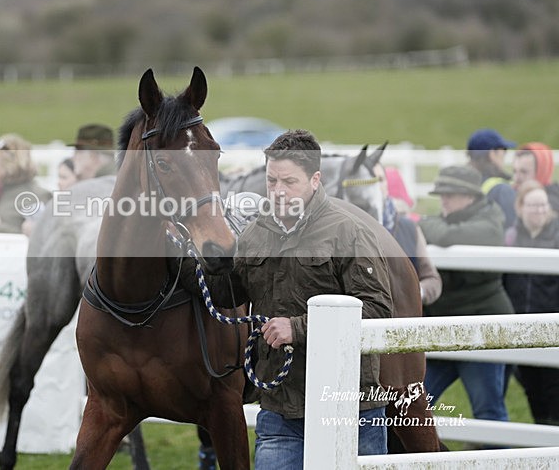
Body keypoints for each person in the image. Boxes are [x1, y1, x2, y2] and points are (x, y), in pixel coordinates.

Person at [207, 129, 393, 469]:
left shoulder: (349, 232)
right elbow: (228, 296)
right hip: (281, 409)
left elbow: (378, 311)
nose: (278, 191)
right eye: (272, 180)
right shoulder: (254, 233)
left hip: (349, 408)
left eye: (289, 181)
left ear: (315, 179)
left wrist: (299, 328)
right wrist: (208, 263)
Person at [419, 165, 513, 435]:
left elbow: (444, 235)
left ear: (470, 197)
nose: (443, 199)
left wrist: (423, 223)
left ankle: (497, 462)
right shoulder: (452, 219)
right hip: (444, 330)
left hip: (481, 331)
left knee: (487, 410)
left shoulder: (489, 222)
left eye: (450, 193)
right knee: (414, 404)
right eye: (442, 194)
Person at [502, 180, 559, 426]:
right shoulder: (510, 238)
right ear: (520, 206)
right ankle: (542, 434)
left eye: (543, 205)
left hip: (552, 326)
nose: (539, 210)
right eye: (533, 205)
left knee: (554, 386)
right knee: (531, 386)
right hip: (521, 326)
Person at [374, 164, 442, 305]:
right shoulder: (348, 227)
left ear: (387, 185)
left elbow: (432, 279)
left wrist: (415, 292)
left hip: (405, 319)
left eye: (380, 179)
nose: (375, 186)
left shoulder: (409, 227)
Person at [467, 128, 517, 229]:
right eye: (504, 151)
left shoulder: (463, 183)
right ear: (492, 154)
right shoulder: (502, 190)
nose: (504, 156)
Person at [512, 142, 559, 213]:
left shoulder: (551, 207)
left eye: (524, 172)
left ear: (542, 172)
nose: (516, 178)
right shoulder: (513, 194)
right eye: (515, 171)